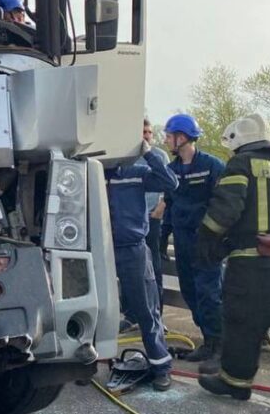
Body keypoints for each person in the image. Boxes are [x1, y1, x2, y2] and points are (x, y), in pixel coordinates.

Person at [196, 114, 270, 401]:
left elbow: (224, 212)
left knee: (243, 324)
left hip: (251, 264)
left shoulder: (241, 164)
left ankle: (236, 382)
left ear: (239, 140)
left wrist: (205, 242)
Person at [105, 139, 178, 391]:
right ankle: (86, 359)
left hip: (131, 249)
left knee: (146, 309)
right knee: (94, 309)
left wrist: (148, 153)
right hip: (95, 250)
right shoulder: (90, 173)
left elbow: (170, 183)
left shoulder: (135, 173)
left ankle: (161, 367)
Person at [163, 113, 225, 363]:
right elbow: (168, 205)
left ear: (182, 137)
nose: (166, 141)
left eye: (169, 136)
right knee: (189, 291)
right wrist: (162, 237)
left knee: (209, 293)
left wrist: (214, 236)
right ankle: (209, 338)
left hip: (207, 243)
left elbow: (223, 205)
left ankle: (217, 344)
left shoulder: (212, 166)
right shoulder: (170, 170)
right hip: (182, 241)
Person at [138, 118, 170, 309]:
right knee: (131, 268)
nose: (147, 135)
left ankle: (158, 310)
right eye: (144, 132)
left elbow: (170, 185)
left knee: (155, 266)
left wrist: (161, 208)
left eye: (149, 132)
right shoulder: (128, 157)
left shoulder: (159, 156)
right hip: (132, 219)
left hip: (152, 218)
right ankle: (131, 312)